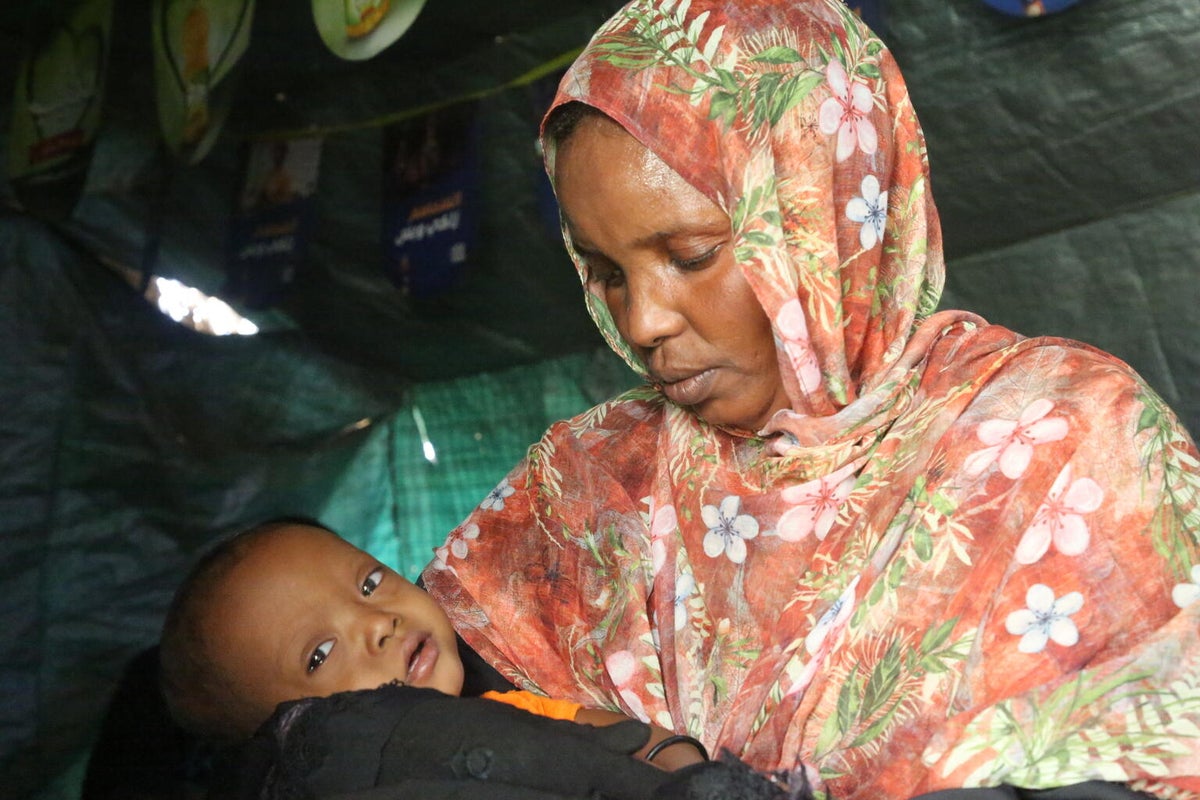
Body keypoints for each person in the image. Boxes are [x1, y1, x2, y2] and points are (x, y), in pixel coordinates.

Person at [421, 1, 1200, 798]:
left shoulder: (1059, 439)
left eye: (691, 255)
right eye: (607, 273)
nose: (643, 321)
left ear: (821, 214)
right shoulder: (584, 494)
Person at [157, 518, 708, 772]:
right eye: (319, 654)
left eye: (369, 584)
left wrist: (683, 767)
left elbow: (626, 737)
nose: (377, 623)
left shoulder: (507, 710)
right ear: (293, 733)